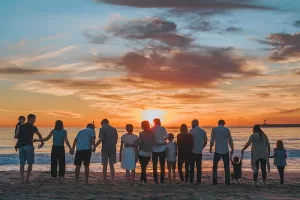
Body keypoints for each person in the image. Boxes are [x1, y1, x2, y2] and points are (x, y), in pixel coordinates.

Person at [18, 114, 44, 183]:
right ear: (31, 119)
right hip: (28, 146)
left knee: (22, 163)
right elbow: (39, 135)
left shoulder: (21, 126)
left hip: (21, 146)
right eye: (34, 119)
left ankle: (22, 179)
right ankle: (27, 178)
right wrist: (42, 143)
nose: (35, 120)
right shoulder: (33, 127)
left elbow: (18, 136)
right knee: (30, 163)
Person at [94, 119, 118, 185]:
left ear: (103, 123)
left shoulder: (102, 129)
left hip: (105, 149)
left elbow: (101, 139)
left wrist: (95, 146)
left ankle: (104, 181)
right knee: (112, 165)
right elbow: (116, 141)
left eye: (101, 124)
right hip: (113, 148)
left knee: (104, 165)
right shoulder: (114, 129)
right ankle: (113, 181)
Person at [210, 119, 234, 185]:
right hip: (225, 150)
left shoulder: (214, 129)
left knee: (215, 166)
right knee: (226, 167)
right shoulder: (226, 130)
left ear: (218, 123)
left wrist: (210, 147)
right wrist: (232, 147)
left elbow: (212, 139)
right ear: (224, 123)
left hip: (217, 150)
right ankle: (227, 181)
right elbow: (230, 140)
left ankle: (214, 181)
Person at [189, 119, 207, 184]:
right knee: (199, 167)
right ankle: (198, 181)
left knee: (192, 167)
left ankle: (191, 180)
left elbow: (189, 142)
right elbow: (205, 141)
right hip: (199, 151)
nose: (191, 125)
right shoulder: (203, 131)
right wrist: (202, 147)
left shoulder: (191, 131)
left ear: (193, 124)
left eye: (192, 124)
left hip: (192, 151)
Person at [151, 118, 168, 184]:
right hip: (162, 148)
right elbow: (166, 137)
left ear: (154, 122)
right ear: (159, 122)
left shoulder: (151, 129)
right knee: (162, 165)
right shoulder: (163, 128)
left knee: (154, 165)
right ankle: (162, 180)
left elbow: (151, 138)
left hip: (154, 149)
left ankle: (155, 180)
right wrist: (161, 140)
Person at [138, 120, 155, 185]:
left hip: (142, 152)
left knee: (143, 167)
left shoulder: (141, 133)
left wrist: (135, 144)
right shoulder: (152, 133)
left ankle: (141, 181)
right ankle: (144, 181)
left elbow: (140, 143)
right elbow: (153, 142)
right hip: (148, 152)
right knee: (144, 167)